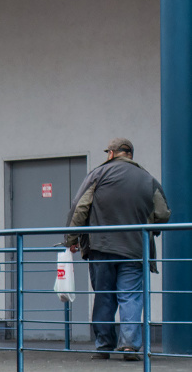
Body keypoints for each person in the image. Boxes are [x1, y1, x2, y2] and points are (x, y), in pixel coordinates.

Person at [65, 138, 170, 360]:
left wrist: (71, 238)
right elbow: (163, 213)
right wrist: (147, 227)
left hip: (101, 248)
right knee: (130, 296)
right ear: (130, 154)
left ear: (112, 154)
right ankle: (130, 345)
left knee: (104, 296)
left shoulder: (98, 174)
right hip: (134, 249)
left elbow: (79, 206)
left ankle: (104, 346)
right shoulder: (147, 178)